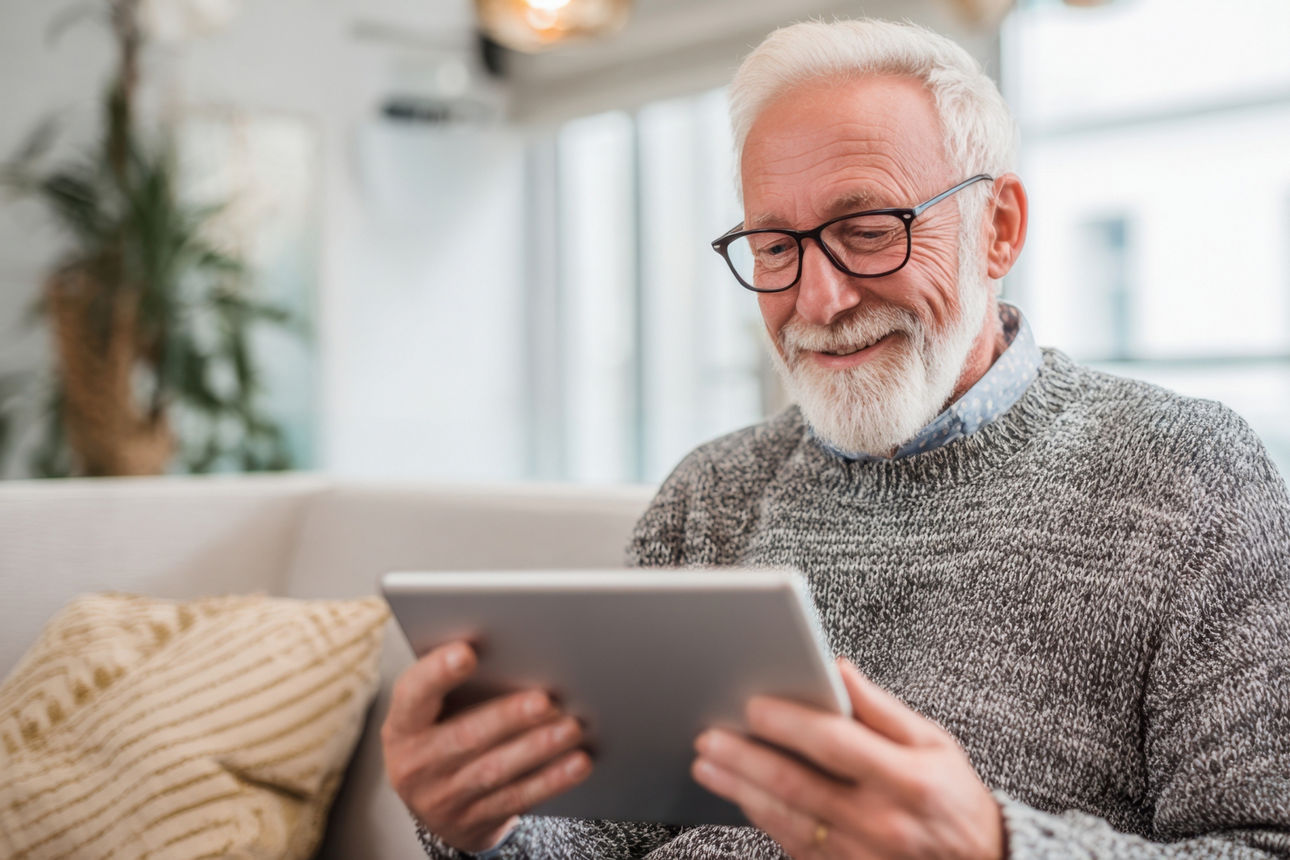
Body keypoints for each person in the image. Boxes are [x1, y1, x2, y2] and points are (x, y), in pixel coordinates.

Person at [382, 18, 1290, 859]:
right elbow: (599, 835)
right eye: (776, 249)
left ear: (998, 228)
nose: (820, 301)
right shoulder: (713, 491)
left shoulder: (1187, 472)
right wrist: (485, 826)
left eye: (868, 230)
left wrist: (992, 843)